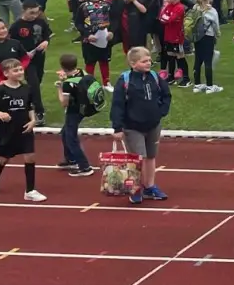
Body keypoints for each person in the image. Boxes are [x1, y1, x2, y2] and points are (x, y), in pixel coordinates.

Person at [110, 46, 172, 203]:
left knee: (151, 157)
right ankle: (135, 188)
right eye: (144, 61)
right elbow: (117, 105)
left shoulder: (155, 77)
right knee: (137, 159)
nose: (149, 63)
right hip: (132, 127)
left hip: (153, 125)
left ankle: (150, 186)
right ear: (133, 63)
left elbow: (166, 95)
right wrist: (117, 127)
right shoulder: (125, 81)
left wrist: (160, 112)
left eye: (149, 60)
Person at [0, 59, 45, 202]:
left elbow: (29, 107)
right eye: (15, 70)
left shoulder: (26, 88)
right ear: (6, 73)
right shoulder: (1, 90)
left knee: (30, 157)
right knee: (3, 159)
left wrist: (32, 120)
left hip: (25, 128)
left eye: (20, 69)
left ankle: (30, 190)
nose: (20, 72)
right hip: (7, 131)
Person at [53, 54, 95, 176]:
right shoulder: (82, 72)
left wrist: (60, 86)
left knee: (71, 139)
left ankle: (84, 167)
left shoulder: (67, 84)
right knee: (65, 133)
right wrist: (66, 76)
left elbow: (64, 103)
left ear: (62, 66)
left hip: (74, 111)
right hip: (83, 108)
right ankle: (70, 160)